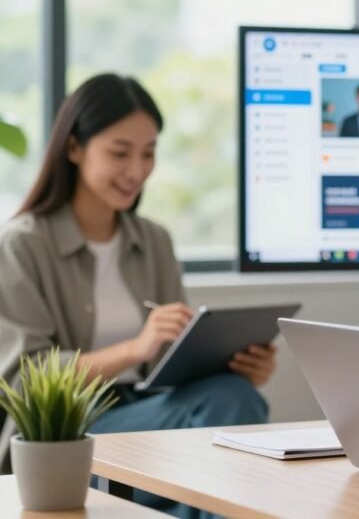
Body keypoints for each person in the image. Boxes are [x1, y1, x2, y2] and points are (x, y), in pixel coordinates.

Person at [0, 74, 274, 477]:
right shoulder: (23, 245)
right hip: (64, 431)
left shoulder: (154, 241)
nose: (137, 170)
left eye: (148, 153)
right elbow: (25, 380)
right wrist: (134, 348)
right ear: (74, 148)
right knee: (224, 409)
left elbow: (174, 361)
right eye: (120, 152)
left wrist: (236, 363)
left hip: (148, 410)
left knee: (233, 393)